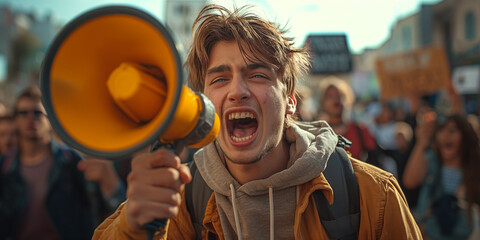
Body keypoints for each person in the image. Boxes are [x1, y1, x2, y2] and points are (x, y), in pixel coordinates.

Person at [93, 4, 421, 239]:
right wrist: (133, 229)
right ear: (204, 102)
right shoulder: (180, 200)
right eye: (219, 79)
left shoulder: (372, 195)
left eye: (258, 75)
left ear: (291, 101)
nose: (237, 91)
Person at [0, 85, 126, 239]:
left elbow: (111, 211)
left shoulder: (71, 161)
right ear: (16, 120)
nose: (30, 118)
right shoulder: (5, 165)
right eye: (23, 113)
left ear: (50, 118)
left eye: (37, 112)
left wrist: (110, 183)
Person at [403, 113, 480, 239]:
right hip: (431, 233)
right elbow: (409, 181)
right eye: (441, 130)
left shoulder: (474, 166)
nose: (446, 135)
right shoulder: (431, 161)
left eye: (452, 130)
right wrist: (421, 142)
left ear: (465, 136)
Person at [317, 78, 378, 162]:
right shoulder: (317, 132)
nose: (336, 100)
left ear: (348, 100)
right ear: (322, 102)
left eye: (340, 95)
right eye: (330, 96)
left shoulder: (360, 130)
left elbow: (375, 160)